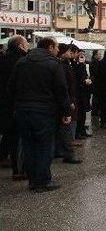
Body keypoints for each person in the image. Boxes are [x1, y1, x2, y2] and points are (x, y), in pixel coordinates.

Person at [8, 37, 72, 192]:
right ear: (50, 47)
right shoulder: (53, 64)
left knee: (29, 146)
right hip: (44, 112)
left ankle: (33, 180)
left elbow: (11, 87)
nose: (58, 50)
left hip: (23, 111)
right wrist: (66, 112)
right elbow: (61, 91)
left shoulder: (22, 62)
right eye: (57, 47)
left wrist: (17, 106)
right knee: (44, 147)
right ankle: (43, 181)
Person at [0, 35, 28, 180]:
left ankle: (5, 157)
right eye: (26, 43)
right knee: (18, 137)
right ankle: (18, 169)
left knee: (9, 134)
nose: (28, 45)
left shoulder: (3, 59)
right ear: (20, 46)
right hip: (17, 104)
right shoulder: (21, 62)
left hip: (4, 104)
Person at [56, 43, 82, 164]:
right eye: (68, 51)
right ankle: (68, 153)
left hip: (69, 97)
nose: (70, 53)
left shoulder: (67, 64)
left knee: (64, 126)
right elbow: (62, 86)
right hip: (66, 100)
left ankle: (59, 150)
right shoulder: (60, 65)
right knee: (67, 126)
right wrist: (69, 102)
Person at [75, 50, 93, 139]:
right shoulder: (77, 66)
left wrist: (88, 80)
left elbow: (86, 75)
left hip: (85, 93)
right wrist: (84, 81)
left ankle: (82, 130)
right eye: (81, 56)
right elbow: (78, 78)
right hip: (80, 93)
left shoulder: (84, 65)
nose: (83, 58)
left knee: (83, 113)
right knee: (80, 114)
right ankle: (78, 132)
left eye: (84, 56)